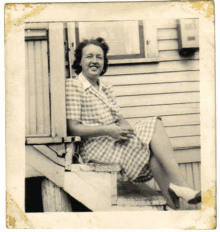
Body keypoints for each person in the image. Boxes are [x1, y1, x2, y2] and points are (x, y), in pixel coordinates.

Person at [65, 37, 201, 210]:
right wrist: (108, 130)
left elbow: (119, 118)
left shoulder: (105, 87)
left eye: (99, 57)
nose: (94, 61)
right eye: (89, 56)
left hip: (114, 140)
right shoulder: (74, 85)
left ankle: (172, 198)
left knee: (152, 137)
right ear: (80, 61)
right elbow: (73, 127)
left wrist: (127, 128)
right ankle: (181, 186)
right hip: (95, 146)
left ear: (104, 62)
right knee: (154, 127)